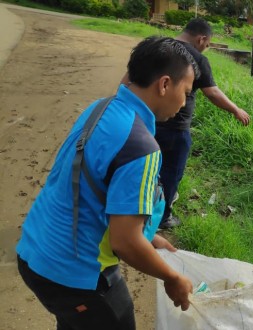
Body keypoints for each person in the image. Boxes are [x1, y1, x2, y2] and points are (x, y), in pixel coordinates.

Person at [16, 36, 198, 330]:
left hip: (33, 253)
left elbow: (90, 188)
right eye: (187, 92)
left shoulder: (100, 108)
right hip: (73, 275)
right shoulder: (141, 147)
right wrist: (172, 278)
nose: (185, 102)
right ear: (164, 84)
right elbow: (125, 242)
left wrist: (149, 237)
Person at [154, 18, 250, 229]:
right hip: (176, 128)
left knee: (149, 168)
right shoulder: (197, 59)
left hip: (148, 121)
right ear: (201, 38)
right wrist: (236, 109)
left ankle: (141, 208)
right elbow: (212, 92)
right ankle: (162, 217)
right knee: (171, 172)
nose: (205, 49)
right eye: (207, 45)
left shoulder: (159, 46)